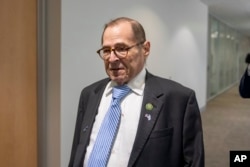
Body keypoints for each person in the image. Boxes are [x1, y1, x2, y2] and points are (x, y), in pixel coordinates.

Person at [69, 17, 204, 167]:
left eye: (121, 49)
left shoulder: (179, 99)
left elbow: (193, 162)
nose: (112, 58)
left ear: (145, 49)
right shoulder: (89, 94)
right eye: (106, 50)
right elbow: (78, 151)